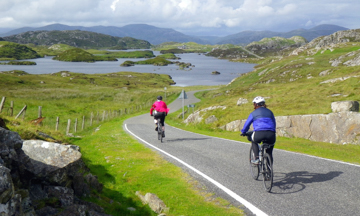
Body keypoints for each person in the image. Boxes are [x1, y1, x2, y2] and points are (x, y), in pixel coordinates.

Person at [241, 96, 276, 164]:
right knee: (269, 152)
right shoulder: (270, 112)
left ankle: (256, 158)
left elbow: (247, 124)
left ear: (256, 104)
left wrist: (243, 132)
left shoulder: (253, 113)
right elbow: (274, 123)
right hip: (271, 134)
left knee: (253, 140)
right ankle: (269, 170)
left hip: (259, 133)